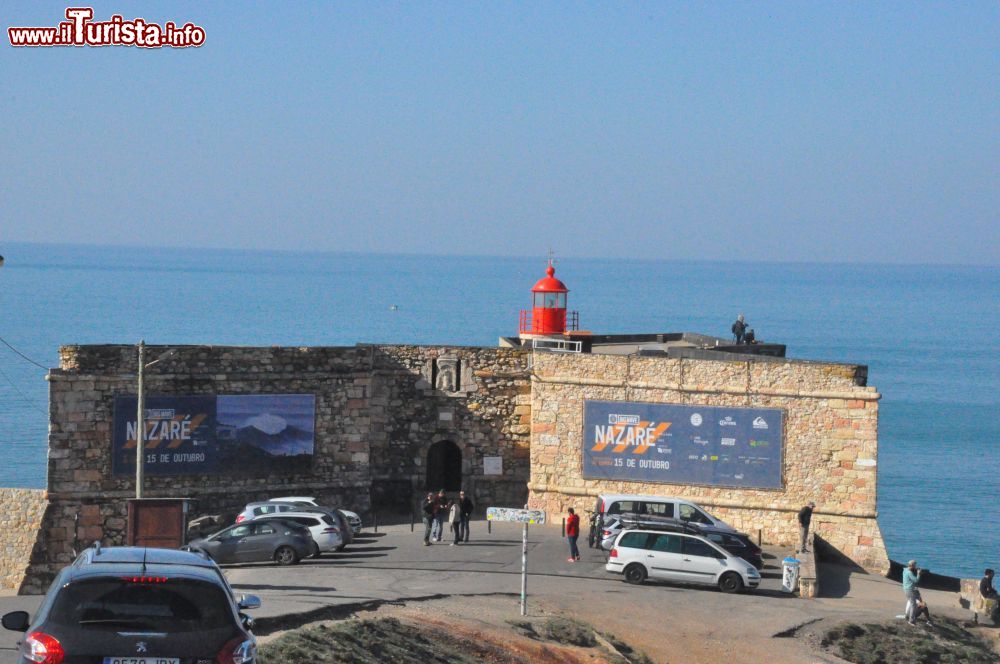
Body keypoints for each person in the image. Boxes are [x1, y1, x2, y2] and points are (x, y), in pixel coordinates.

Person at [903, 560, 934, 627]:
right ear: (912, 565)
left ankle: (928, 620)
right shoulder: (909, 573)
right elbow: (916, 580)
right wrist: (918, 574)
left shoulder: (905, 570)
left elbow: (910, 581)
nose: (915, 567)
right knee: (914, 605)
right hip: (909, 590)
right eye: (914, 565)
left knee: (921, 604)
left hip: (907, 589)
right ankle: (911, 621)